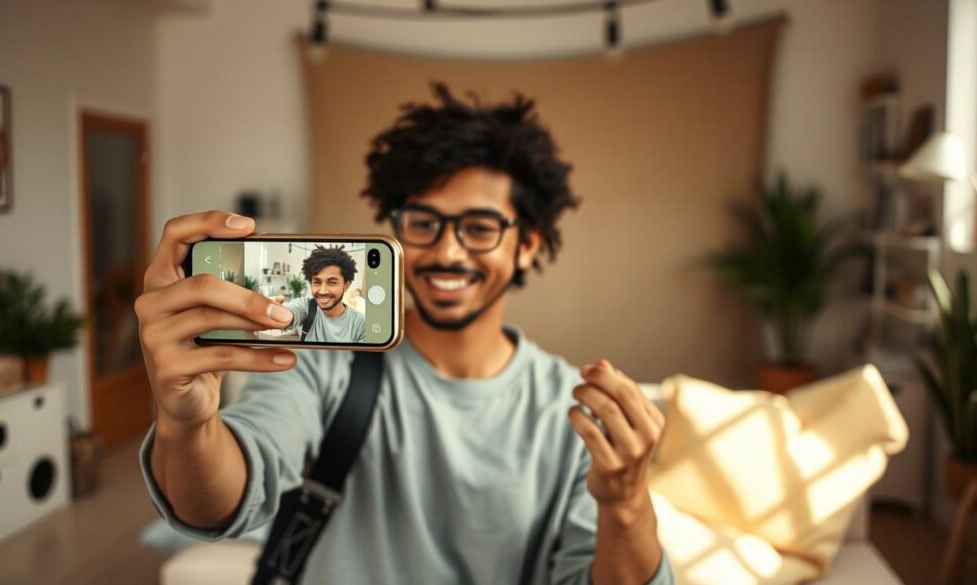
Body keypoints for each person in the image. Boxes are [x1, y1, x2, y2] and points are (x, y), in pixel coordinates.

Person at [135, 83, 674, 584]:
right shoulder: (321, 363)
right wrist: (186, 422)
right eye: (423, 222)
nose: (447, 251)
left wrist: (627, 505)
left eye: (480, 228)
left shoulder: (571, 412)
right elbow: (215, 503)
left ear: (527, 245)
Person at [278, 245, 366, 343]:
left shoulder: (361, 324)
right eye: (317, 282)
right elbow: (289, 313)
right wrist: (272, 311)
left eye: (332, 282)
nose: (323, 291)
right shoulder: (306, 307)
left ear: (346, 285)